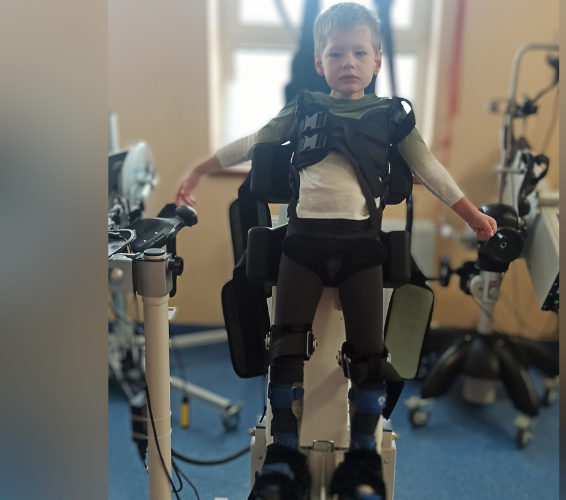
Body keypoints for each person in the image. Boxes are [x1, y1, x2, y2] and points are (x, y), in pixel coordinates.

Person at [176, 3, 496, 499]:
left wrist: (471, 215)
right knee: (285, 347)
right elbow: (253, 142)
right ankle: (284, 455)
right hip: (301, 248)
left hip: (361, 252)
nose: (349, 61)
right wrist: (199, 168)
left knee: (369, 357)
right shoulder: (302, 108)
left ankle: (363, 458)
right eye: (336, 53)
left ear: (377, 61)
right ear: (319, 62)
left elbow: (430, 169)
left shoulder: (392, 118)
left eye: (360, 53)